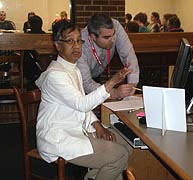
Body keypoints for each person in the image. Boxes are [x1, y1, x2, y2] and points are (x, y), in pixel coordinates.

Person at [35, 19, 133, 180]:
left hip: (77, 130)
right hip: (58, 137)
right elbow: (82, 104)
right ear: (58, 45)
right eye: (70, 41)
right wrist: (112, 82)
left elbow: (82, 103)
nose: (76, 46)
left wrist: (97, 124)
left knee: (126, 146)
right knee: (119, 155)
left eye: (79, 41)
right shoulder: (55, 75)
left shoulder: (73, 69)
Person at [77, 13, 140, 99]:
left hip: (97, 77)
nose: (113, 40)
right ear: (93, 37)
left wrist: (132, 84)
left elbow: (129, 55)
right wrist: (114, 93)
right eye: (107, 37)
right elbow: (86, 83)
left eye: (114, 34)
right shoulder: (80, 45)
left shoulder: (116, 26)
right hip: (80, 82)